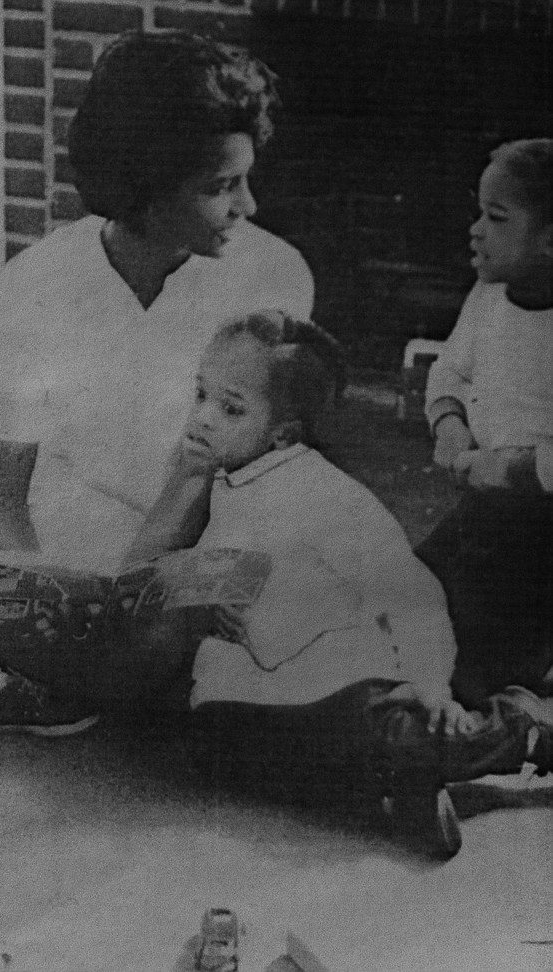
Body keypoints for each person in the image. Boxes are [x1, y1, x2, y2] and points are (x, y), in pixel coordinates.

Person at [0, 29, 314, 733]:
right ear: (145, 188)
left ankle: (102, 688)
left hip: (213, 544)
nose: (247, 205)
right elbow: (0, 503)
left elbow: (271, 485)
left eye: (246, 178)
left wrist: (158, 578)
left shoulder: (273, 278)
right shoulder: (34, 284)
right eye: (220, 186)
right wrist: (50, 593)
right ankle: (156, 693)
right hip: (77, 554)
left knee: (192, 620)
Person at [179, 311, 553, 858]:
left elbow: (412, 592)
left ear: (284, 433)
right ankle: (395, 792)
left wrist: (432, 688)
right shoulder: (218, 483)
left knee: (396, 739)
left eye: (230, 408)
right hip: (242, 701)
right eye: (201, 395)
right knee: (222, 760)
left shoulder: (327, 496)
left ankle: (521, 725)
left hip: (340, 691)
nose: (203, 418)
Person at [417, 137, 553, 708]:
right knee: (407, 597)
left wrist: (517, 470)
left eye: (496, 217)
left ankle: (512, 718)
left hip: (541, 529)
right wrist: (449, 425)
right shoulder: (489, 296)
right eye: (479, 210)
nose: (475, 229)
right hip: (483, 508)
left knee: (479, 668)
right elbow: (450, 369)